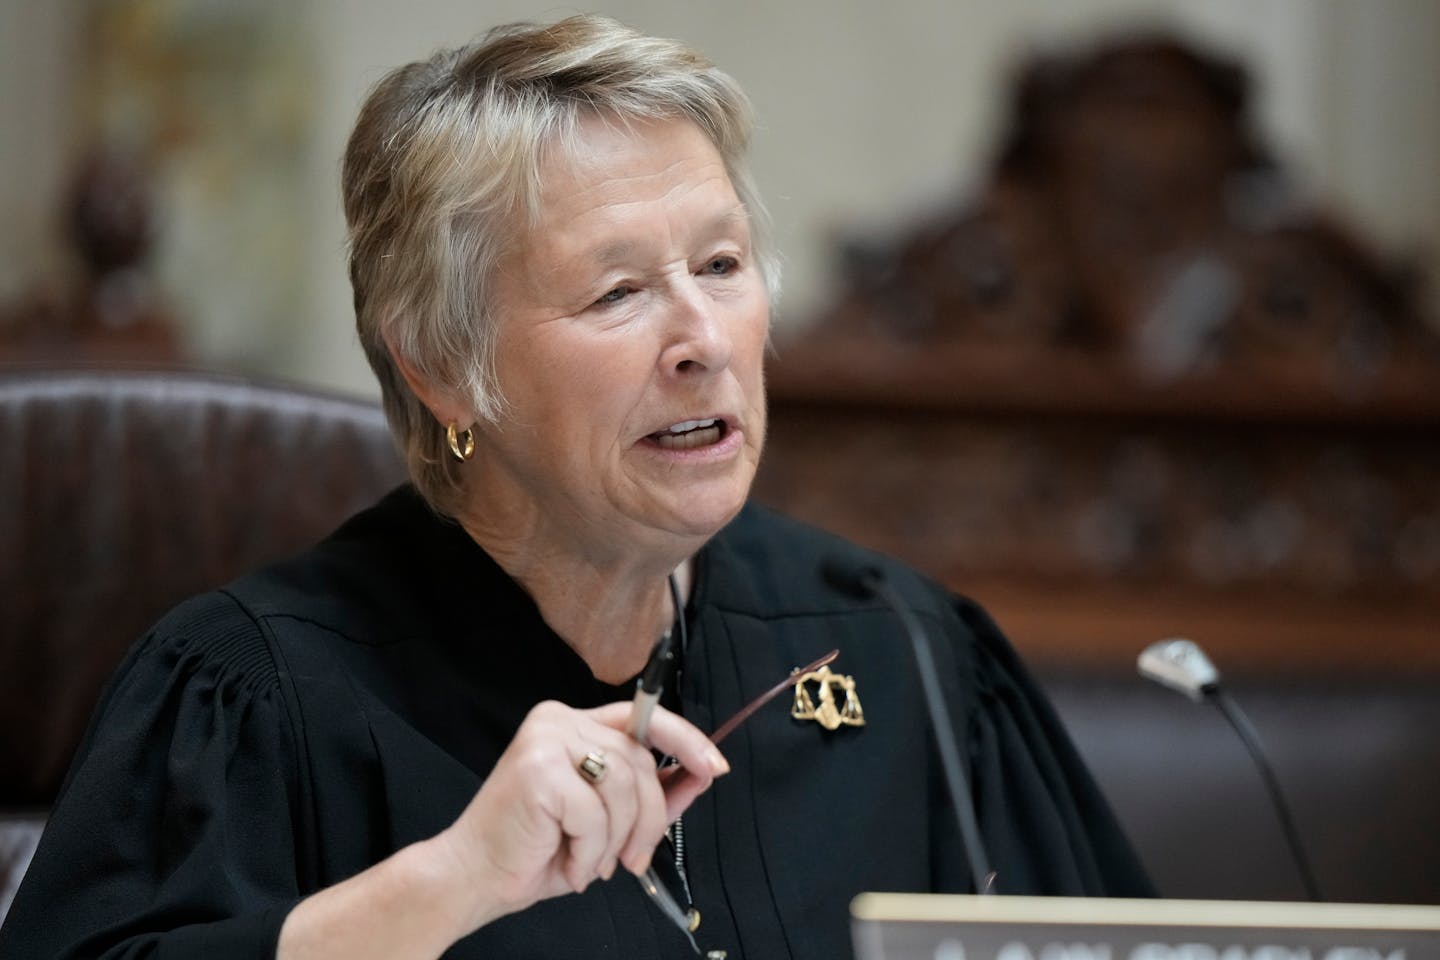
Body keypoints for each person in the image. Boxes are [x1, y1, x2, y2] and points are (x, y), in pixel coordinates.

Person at [0, 15, 1150, 959]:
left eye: (721, 265)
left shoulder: (906, 656)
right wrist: (444, 886)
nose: (703, 336)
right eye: (616, 294)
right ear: (443, 367)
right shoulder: (254, 700)